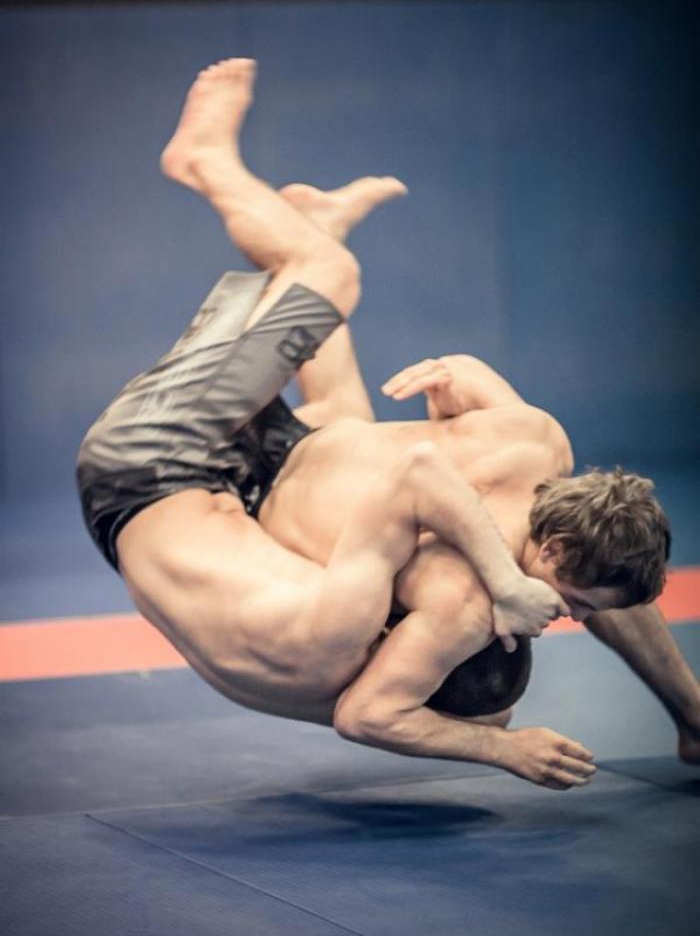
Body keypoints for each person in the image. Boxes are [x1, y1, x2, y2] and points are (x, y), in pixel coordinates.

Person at [77, 58, 697, 791]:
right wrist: (497, 723)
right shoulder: (438, 598)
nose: (564, 618)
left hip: (190, 476)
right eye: (574, 607)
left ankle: (305, 233)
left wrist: (456, 392)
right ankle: (207, 163)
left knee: (347, 409)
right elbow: (378, 707)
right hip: (166, 463)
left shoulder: (535, 450)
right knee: (329, 283)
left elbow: (460, 386)